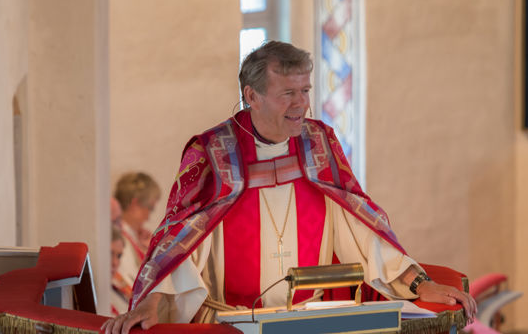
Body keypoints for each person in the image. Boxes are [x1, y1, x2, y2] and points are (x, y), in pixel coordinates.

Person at [104, 41, 476, 334]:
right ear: (252, 96)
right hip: (234, 324)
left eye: (305, 90)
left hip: (313, 321)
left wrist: (417, 282)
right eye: (288, 94)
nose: (302, 104)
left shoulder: (319, 142)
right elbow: (182, 242)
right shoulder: (213, 152)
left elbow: (362, 228)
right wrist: (153, 301)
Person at [113, 172, 161, 289]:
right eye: (150, 208)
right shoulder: (118, 240)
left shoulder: (131, 236)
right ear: (134, 204)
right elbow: (133, 286)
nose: (148, 217)